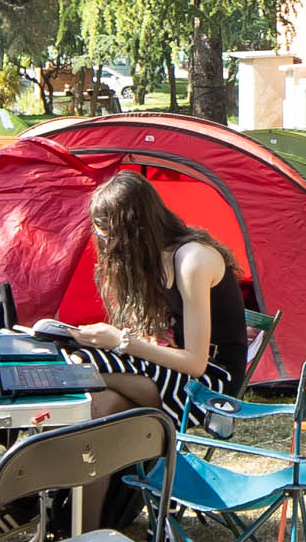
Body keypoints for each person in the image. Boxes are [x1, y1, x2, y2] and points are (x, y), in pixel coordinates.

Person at [67, 171, 247, 429]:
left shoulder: (193, 260)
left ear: (133, 231)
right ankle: (131, 465)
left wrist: (121, 341)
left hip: (210, 384)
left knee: (83, 364)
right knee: (95, 390)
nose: (106, 245)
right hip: (173, 371)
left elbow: (196, 363)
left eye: (109, 237)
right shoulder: (156, 258)